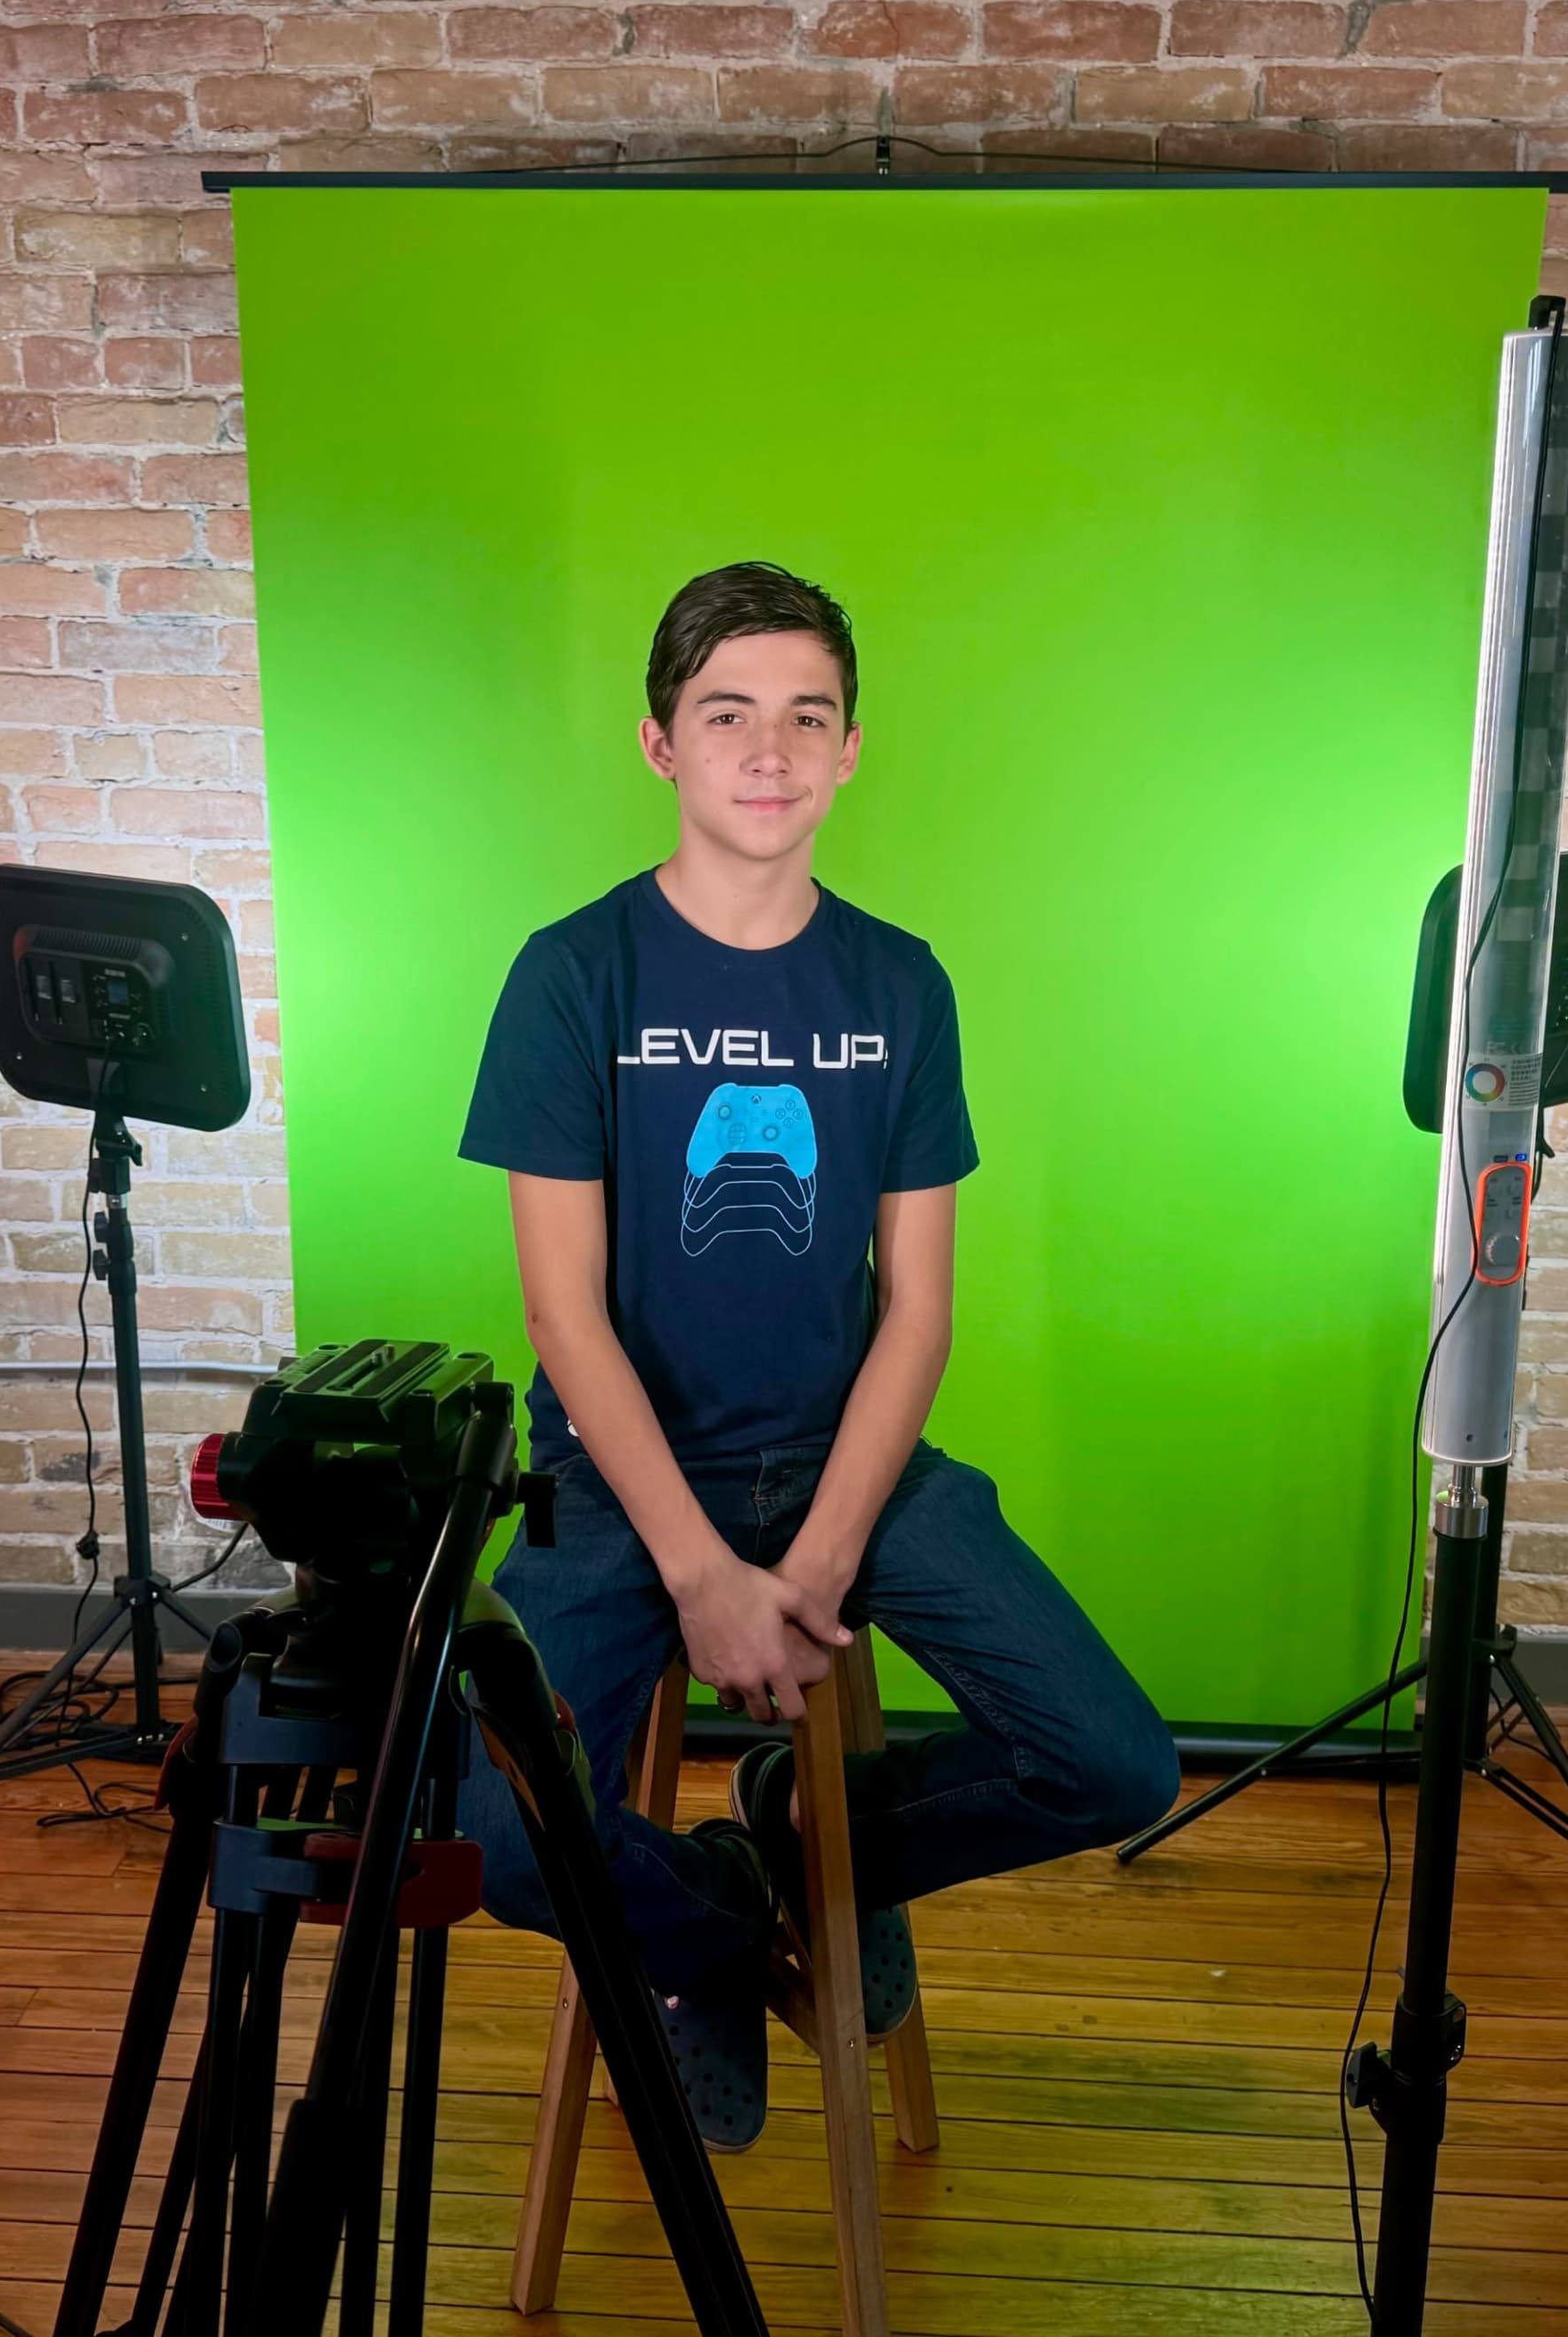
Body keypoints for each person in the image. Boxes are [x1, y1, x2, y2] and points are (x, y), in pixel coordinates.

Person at [454, 559, 1178, 2148]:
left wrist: (827, 1549)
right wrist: (702, 1570)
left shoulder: (899, 985)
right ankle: (713, 1924)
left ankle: (797, 1830)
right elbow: (562, 1318)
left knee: (1119, 1764)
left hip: (848, 1457)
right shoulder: (575, 978)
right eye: (729, 714)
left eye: (807, 714)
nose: (769, 750)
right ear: (661, 744)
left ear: (852, 747)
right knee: (484, 1830)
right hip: (625, 1476)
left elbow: (917, 1306)